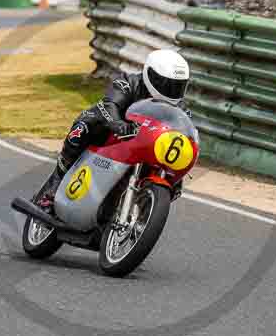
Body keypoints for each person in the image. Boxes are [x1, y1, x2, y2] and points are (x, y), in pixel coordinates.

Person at [34, 49, 191, 213]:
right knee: (84, 125)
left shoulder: (181, 108)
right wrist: (119, 125)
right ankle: (54, 185)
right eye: (167, 84)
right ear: (150, 75)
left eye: (178, 86)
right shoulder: (129, 82)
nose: (172, 91)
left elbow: (183, 134)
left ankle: (141, 210)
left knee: (175, 180)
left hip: (145, 146)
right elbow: (109, 105)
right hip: (113, 135)